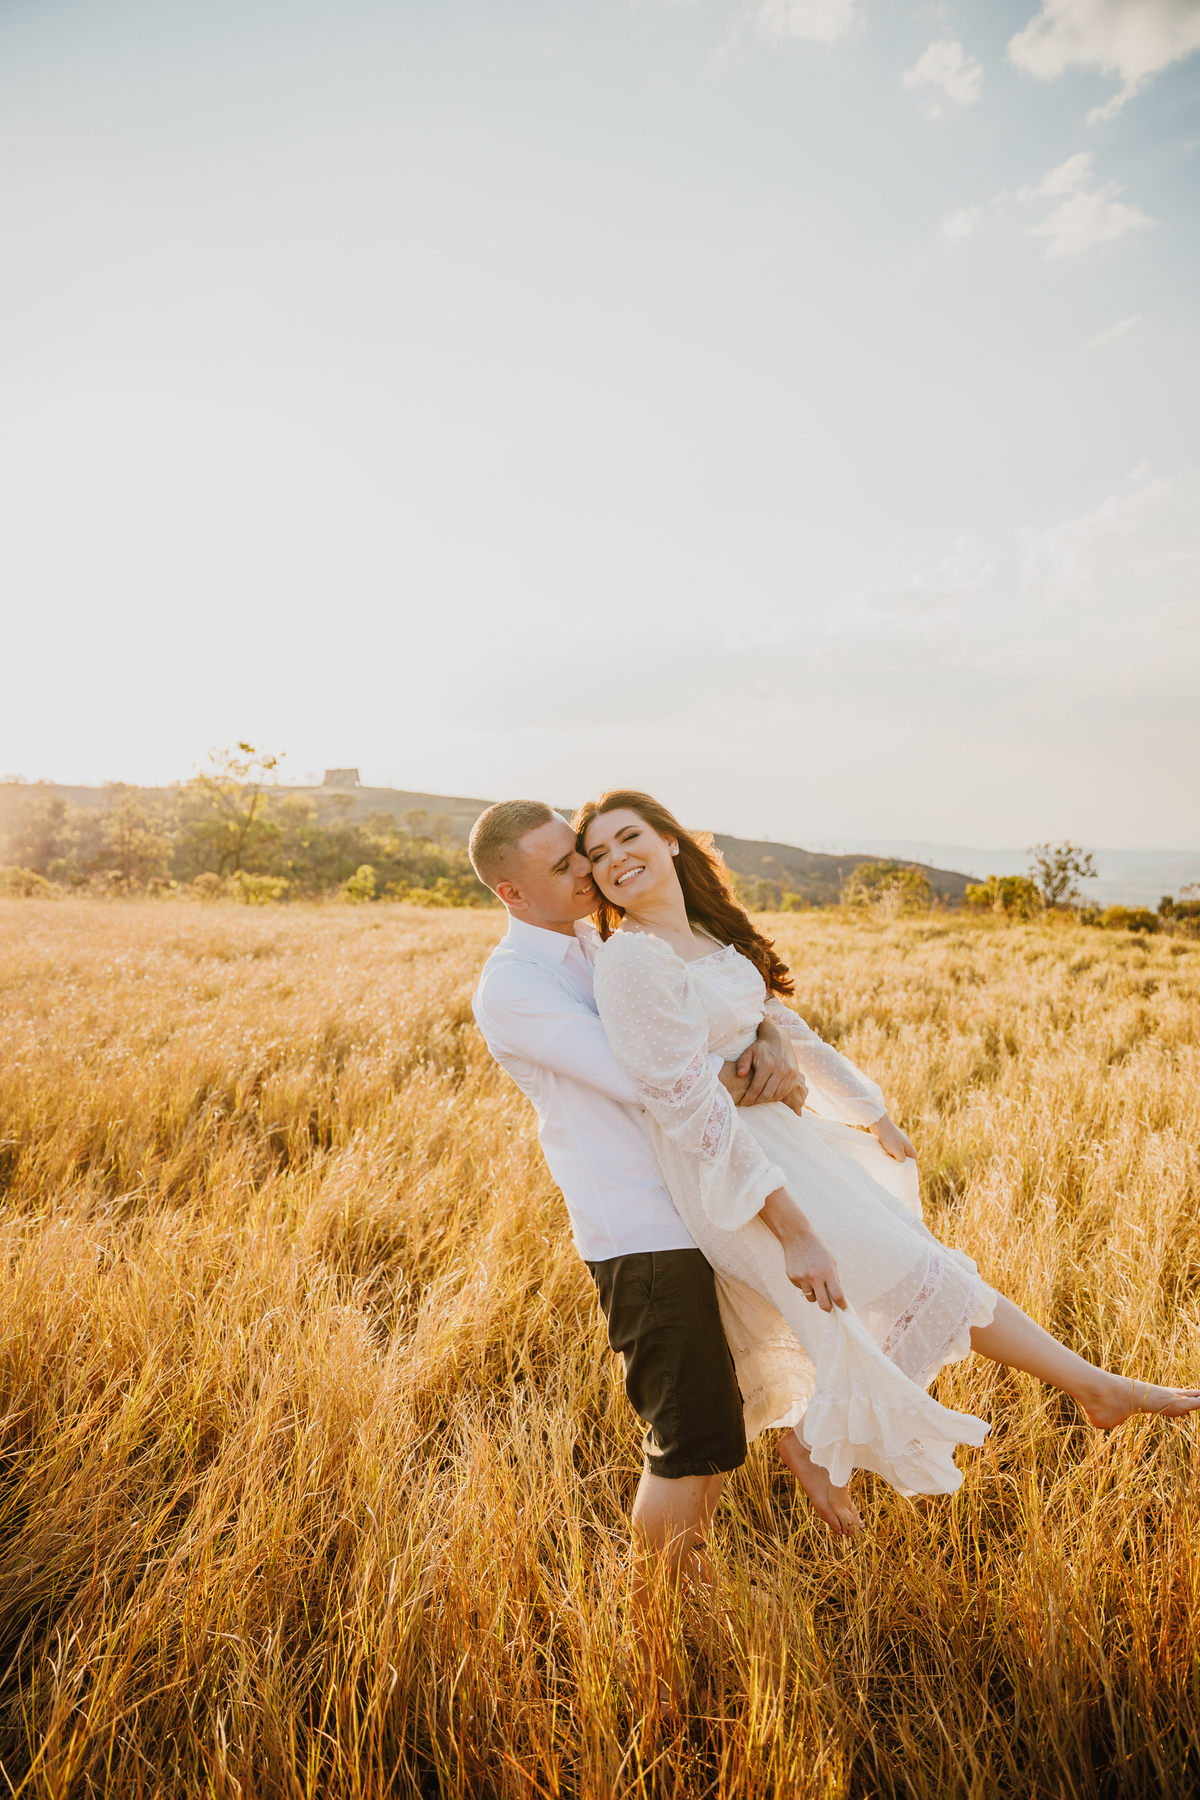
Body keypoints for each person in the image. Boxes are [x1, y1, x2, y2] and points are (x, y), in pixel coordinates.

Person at [577, 788, 1200, 1533]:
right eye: (599, 855)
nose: (617, 860)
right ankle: (826, 1439)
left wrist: (871, 1110)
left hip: (795, 1149)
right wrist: (792, 1224)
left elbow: (787, 1029)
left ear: (671, 841)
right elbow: (685, 1104)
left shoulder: (711, 939)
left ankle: (1084, 1389)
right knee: (907, 1277)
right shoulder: (629, 963)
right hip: (739, 1176)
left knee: (923, 1273)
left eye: (628, 838)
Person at [468, 800, 812, 1642]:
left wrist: (771, 1031)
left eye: (580, 854)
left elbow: (701, 1007)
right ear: (512, 893)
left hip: (702, 1208)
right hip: (642, 1236)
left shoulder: (598, 942)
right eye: (563, 867)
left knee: (720, 1424)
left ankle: (692, 1600)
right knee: (688, 1438)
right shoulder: (515, 987)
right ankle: (663, 1623)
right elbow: (653, 1077)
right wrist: (754, 1057)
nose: (587, 871)